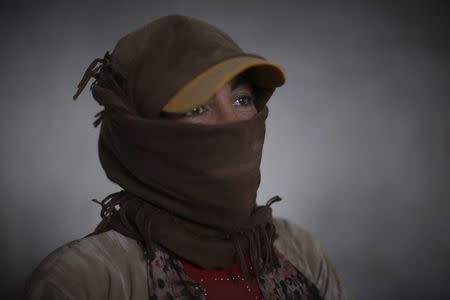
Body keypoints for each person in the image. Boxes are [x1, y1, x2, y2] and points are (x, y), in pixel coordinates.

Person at [24, 15, 353, 300]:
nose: (232, 124)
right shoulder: (83, 282)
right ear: (144, 136)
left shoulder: (299, 251)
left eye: (241, 100)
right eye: (197, 108)